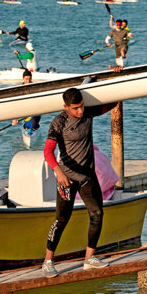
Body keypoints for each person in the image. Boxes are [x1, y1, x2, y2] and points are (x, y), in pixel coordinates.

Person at [42, 88, 119, 277]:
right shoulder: (59, 123)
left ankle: (89, 259)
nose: (80, 111)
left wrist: (117, 76)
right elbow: (47, 152)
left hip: (87, 177)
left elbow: (113, 101)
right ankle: (48, 261)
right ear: (66, 107)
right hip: (67, 179)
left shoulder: (88, 112)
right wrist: (58, 172)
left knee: (97, 214)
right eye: (75, 108)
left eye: (82, 106)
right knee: (62, 219)